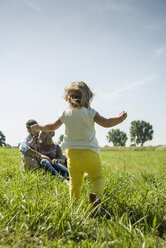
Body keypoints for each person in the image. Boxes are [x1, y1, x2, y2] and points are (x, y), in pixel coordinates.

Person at [31, 81, 127, 214]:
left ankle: (74, 209)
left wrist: (39, 127)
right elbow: (106, 123)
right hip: (90, 154)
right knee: (97, 178)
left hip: (72, 156)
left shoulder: (65, 113)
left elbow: (51, 127)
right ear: (88, 98)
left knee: (75, 184)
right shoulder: (91, 112)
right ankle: (96, 199)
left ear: (68, 98)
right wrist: (120, 118)